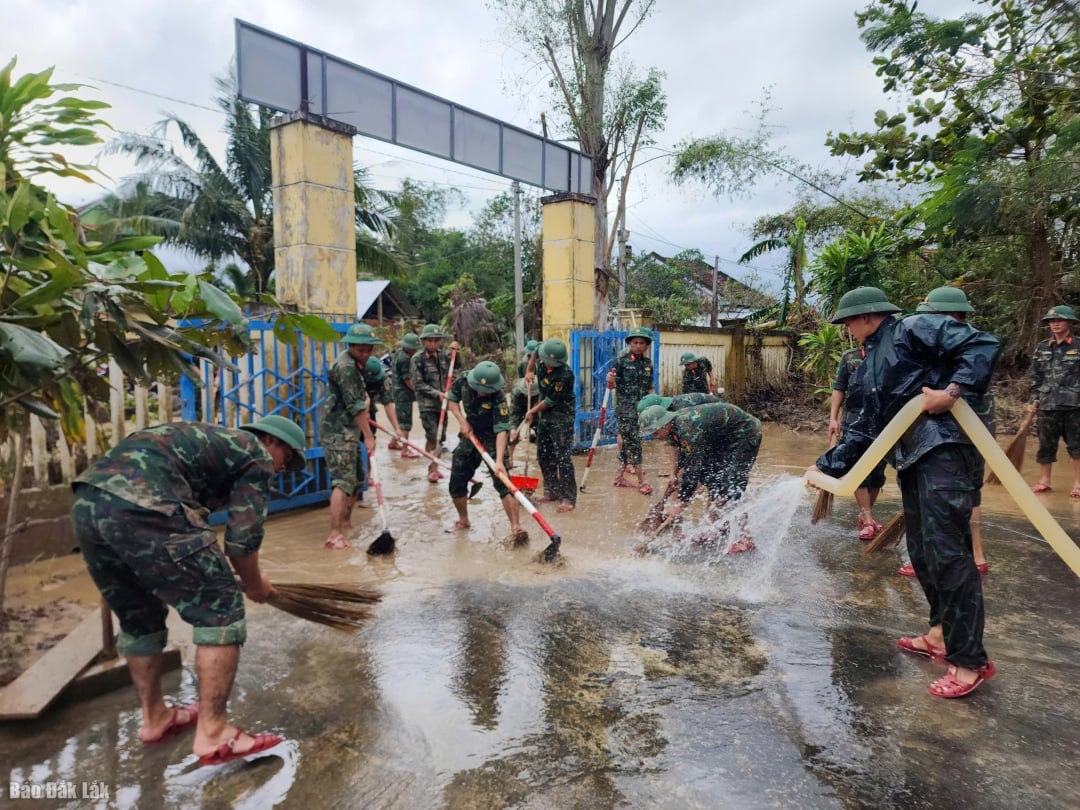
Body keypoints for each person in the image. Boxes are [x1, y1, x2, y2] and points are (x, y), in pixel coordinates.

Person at [71, 414, 307, 766]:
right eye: (286, 461)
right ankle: (214, 733)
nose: (279, 470)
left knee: (140, 617)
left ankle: (155, 719)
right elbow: (241, 543)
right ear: (275, 443)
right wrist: (256, 585)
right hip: (146, 502)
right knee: (221, 607)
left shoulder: (207, 438)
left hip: (87, 505)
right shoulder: (255, 453)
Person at [807, 287, 1000, 699]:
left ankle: (970, 662)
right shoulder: (867, 363)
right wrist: (825, 467)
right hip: (911, 456)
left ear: (865, 318)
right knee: (923, 551)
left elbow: (982, 343)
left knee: (948, 553)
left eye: (847, 324)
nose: (846, 333)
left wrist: (951, 393)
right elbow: (864, 429)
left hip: (946, 449)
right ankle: (938, 634)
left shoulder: (912, 328)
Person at [898, 287, 992, 577]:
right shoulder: (952, 340)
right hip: (956, 434)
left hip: (959, 435)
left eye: (934, 316)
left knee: (957, 496)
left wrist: (950, 394)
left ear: (951, 316)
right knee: (960, 496)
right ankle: (965, 556)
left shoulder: (964, 342)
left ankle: (967, 556)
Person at [638, 401, 762, 529]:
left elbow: (693, 469)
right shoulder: (673, 428)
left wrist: (679, 504)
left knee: (730, 483)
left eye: (655, 433)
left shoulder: (687, 427)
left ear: (664, 425)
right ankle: (717, 524)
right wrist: (674, 475)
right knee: (711, 477)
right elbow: (685, 456)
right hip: (721, 438)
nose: (654, 437)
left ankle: (744, 535)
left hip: (745, 433)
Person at [446, 360, 527, 544]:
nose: (483, 393)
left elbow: (501, 431)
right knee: (457, 479)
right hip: (470, 433)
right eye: (480, 389)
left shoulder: (499, 398)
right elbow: (452, 399)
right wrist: (462, 421)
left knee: (504, 482)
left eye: (487, 390)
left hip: (492, 438)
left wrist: (499, 461)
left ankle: (516, 527)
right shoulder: (464, 379)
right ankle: (463, 520)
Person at [321, 323, 378, 550]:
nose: (365, 354)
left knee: (357, 479)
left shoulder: (355, 365)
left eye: (368, 350)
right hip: (338, 431)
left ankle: (345, 521)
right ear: (351, 346)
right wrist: (369, 436)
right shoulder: (347, 367)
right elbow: (357, 407)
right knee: (343, 482)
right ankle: (334, 533)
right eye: (360, 349)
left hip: (349, 430)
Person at [830, 346, 887, 541]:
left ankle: (865, 514)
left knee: (878, 471)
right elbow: (839, 389)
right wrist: (833, 419)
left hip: (882, 421)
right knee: (858, 468)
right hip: (854, 422)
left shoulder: (888, 353)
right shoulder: (849, 357)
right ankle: (868, 518)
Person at [1028, 305, 1080, 497]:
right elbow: (1036, 376)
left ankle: (1078, 483)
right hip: (1047, 404)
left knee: (1076, 444)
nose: (1055, 324)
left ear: (1069, 323)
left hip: (1074, 405)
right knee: (1045, 444)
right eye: (1052, 321)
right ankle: (1044, 481)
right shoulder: (1043, 347)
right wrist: (1033, 400)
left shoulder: (1078, 346)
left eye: (1059, 320)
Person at [522, 338, 578, 512]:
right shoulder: (541, 353)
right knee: (544, 454)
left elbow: (549, 401)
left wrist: (531, 411)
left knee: (563, 458)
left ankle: (568, 498)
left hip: (562, 418)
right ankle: (551, 491)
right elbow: (534, 352)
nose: (549, 365)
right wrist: (529, 370)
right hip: (545, 418)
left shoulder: (565, 375)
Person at [607, 326, 656, 494]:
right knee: (634, 442)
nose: (639, 346)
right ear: (630, 343)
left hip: (641, 408)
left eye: (642, 343)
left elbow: (650, 387)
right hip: (625, 408)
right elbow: (612, 383)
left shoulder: (647, 363)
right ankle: (642, 481)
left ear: (647, 345)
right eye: (635, 342)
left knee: (629, 442)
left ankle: (619, 476)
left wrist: (654, 404)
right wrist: (610, 379)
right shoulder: (621, 360)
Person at [409, 323, 460, 482]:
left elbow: (457, 365)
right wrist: (436, 393)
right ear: (424, 341)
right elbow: (418, 384)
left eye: (436, 341)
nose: (432, 344)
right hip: (427, 405)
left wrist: (456, 353)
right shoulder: (417, 359)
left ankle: (435, 466)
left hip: (443, 405)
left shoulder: (444, 356)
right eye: (429, 341)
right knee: (433, 436)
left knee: (441, 437)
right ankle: (431, 468)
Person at [389, 332, 422, 458]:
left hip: (397, 391)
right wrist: (417, 390)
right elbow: (407, 379)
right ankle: (405, 449)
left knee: (400, 420)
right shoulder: (405, 359)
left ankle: (393, 442)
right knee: (405, 423)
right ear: (409, 348)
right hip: (403, 393)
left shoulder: (399, 352)